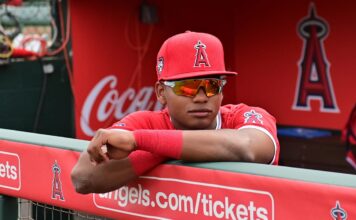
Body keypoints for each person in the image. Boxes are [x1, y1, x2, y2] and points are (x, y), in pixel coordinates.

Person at [71, 31, 280, 194]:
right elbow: (83, 178)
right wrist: (162, 146)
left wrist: (141, 142)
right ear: (161, 93)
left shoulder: (242, 116)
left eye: (212, 86)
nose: (201, 97)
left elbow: (250, 147)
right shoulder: (146, 122)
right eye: (187, 87)